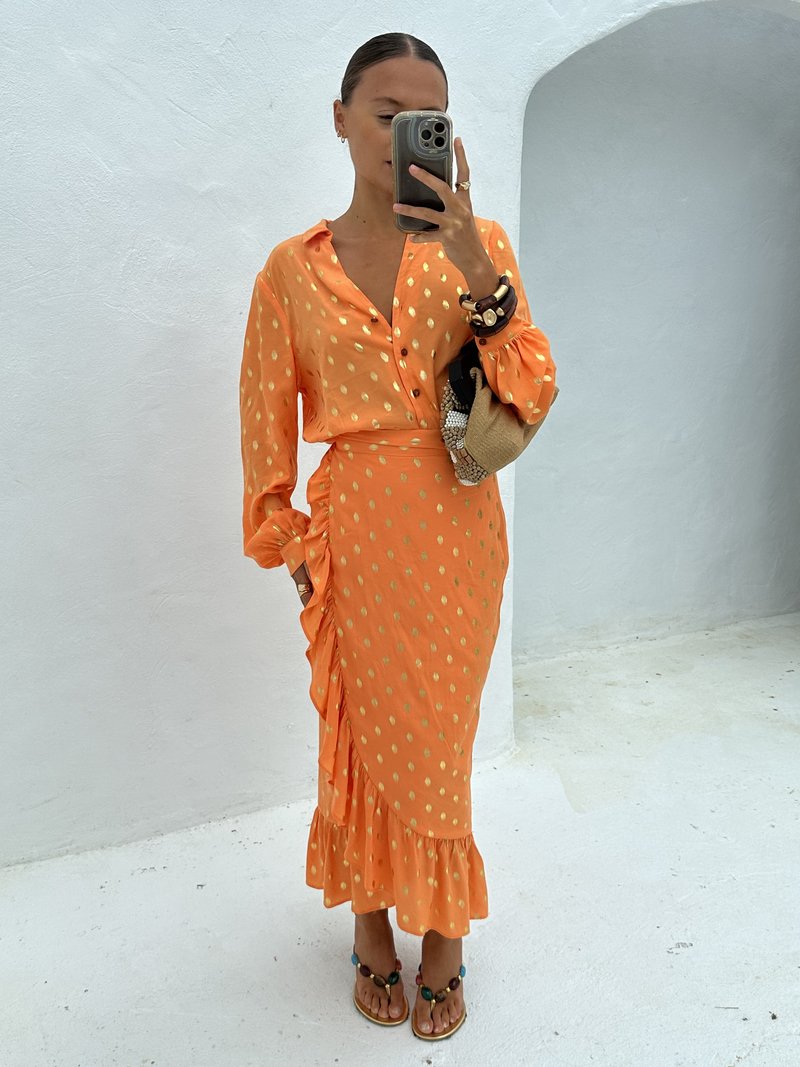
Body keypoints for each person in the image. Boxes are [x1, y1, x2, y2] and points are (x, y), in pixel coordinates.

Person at [238, 31, 558, 1040]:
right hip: (352, 536)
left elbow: (530, 387)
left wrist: (473, 263)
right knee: (359, 736)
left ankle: (445, 932)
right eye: (385, 113)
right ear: (341, 120)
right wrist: (290, 542)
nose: (403, 133)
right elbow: (262, 421)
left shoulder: (478, 244)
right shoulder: (291, 271)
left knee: (439, 741)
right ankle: (371, 918)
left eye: (427, 116)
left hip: (457, 529)